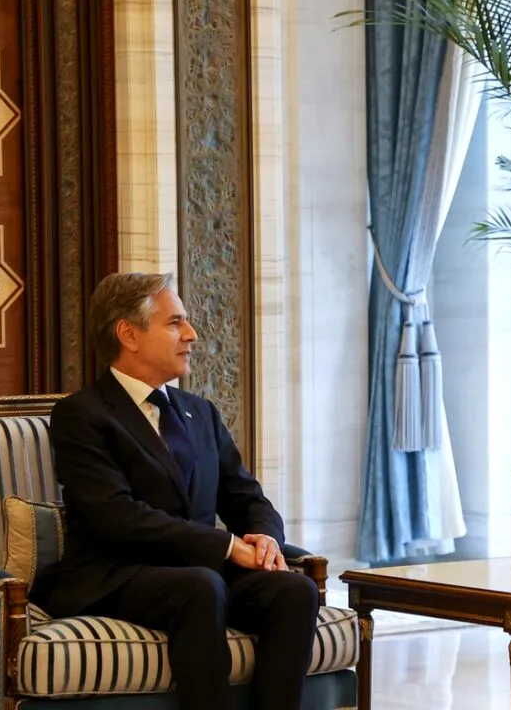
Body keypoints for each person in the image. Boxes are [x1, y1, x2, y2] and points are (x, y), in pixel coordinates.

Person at [46, 272, 319, 710]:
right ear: (128, 334)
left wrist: (266, 538)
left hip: (197, 572)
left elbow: (246, 496)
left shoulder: (200, 412)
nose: (191, 334)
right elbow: (116, 515)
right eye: (175, 323)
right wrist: (227, 546)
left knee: (294, 591)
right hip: (118, 574)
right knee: (201, 586)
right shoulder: (82, 415)